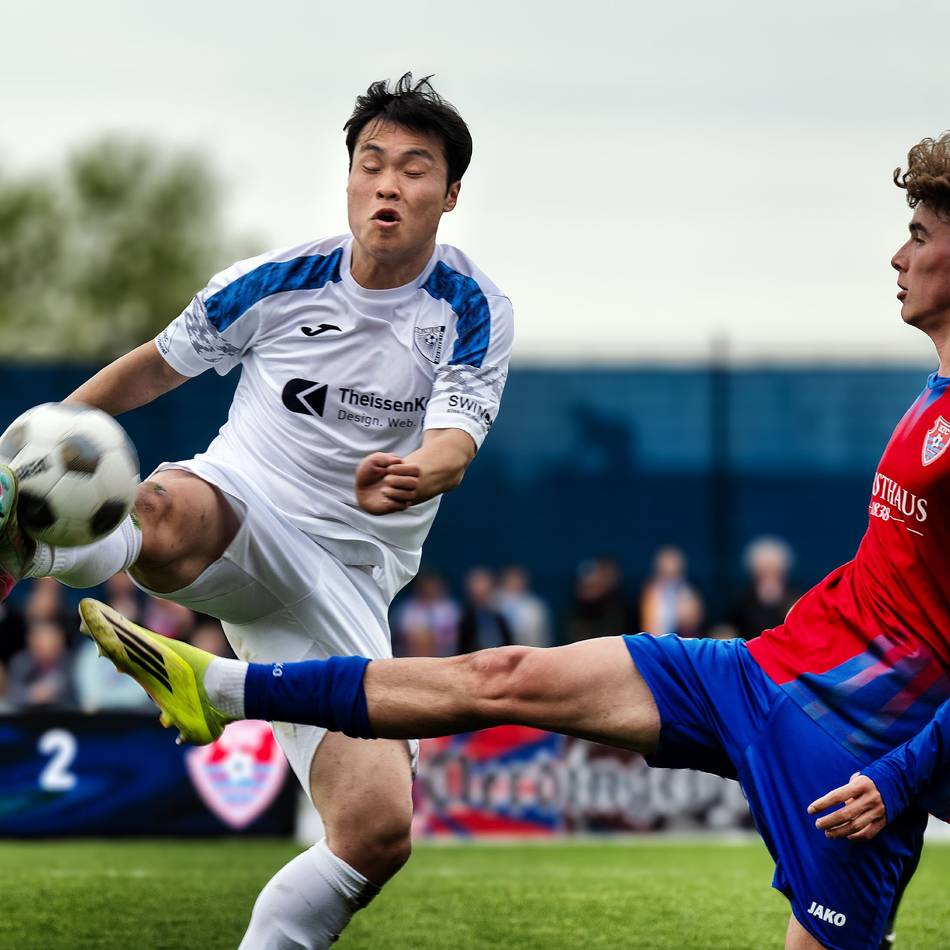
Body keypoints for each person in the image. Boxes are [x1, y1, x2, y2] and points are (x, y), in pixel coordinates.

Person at [74, 132, 950, 950]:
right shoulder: (930, 387)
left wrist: (904, 779)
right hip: (767, 672)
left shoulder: (469, 303)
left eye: (917, 234)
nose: (897, 255)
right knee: (505, 674)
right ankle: (222, 687)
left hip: (863, 759)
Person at [0, 73, 513, 949]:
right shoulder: (274, 283)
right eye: (371, 163)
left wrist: (417, 473)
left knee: (376, 834)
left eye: (415, 169)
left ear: (450, 194)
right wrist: (39, 448)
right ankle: (25, 551)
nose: (388, 184)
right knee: (159, 509)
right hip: (243, 505)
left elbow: (453, 442)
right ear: (349, 176)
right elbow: (154, 366)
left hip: (350, 576)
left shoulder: (472, 308)